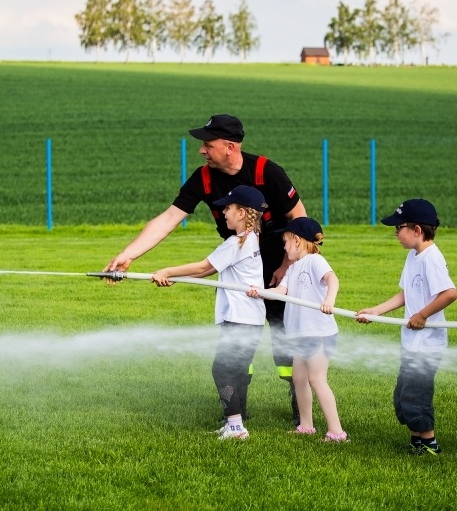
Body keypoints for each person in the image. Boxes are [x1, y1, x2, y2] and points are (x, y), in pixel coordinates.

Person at [105, 114, 308, 426]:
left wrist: (286, 267)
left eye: (207, 144)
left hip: (280, 270)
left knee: (286, 341)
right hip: (239, 269)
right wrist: (128, 255)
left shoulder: (267, 171)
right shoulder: (204, 178)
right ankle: (237, 412)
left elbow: (300, 221)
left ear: (229, 147)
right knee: (239, 339)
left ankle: (301, 413)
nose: (201, 150)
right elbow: (169, 218)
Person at [151, 185, 267, 440]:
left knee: (222, 370)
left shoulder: (237, 243)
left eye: (228, 207)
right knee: (234, 370)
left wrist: (167, 271)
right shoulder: (252, 240)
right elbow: (207, 271)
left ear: (241, 213)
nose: (223, 212)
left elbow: (204, 265)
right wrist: (175, 277)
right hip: (250, 318)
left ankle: (236, 427)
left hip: (240, 319)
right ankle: (235, 422)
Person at [356, 199, 457, 455]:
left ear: (417, 230)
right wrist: (375, 311)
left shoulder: (431, 258)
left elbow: (449, 293)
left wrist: (423, 315)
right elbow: (405, 295)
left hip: (427, 344)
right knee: (404, 393)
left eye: (398, 228)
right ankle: (417, 443)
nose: (395, 234)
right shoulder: (414, 256)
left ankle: (430, 444)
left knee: (417, 394)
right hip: (412, 342)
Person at [247, 217, 346, 442]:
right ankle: (306, 426)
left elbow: (333, 279)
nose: (284, 247)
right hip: (300, 335)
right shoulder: (292, 269)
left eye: (286, 242)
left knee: (317, 379)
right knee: (299, 379)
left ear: (298, 242)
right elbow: (281, 292)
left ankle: (337, 432)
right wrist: (260, 292)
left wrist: (330, 299)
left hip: (319, 333)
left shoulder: (314, 261)